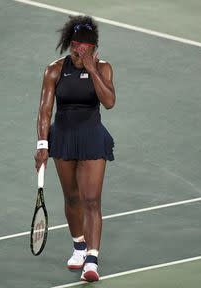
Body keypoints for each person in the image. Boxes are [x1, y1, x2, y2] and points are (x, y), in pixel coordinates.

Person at [34, 15, 116, 282]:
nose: (78, 55)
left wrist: (91, 70)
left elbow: (110, 102)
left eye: (84, 52)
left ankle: (91, 260)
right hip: (64, 138)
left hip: (92, 138)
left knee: (92, 200)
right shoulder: (55, 69)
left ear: (94, 50)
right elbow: (45, 111)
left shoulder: (103, 69)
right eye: (75, 50)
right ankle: (79, 246)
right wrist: (43, 144)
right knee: (72, 198)